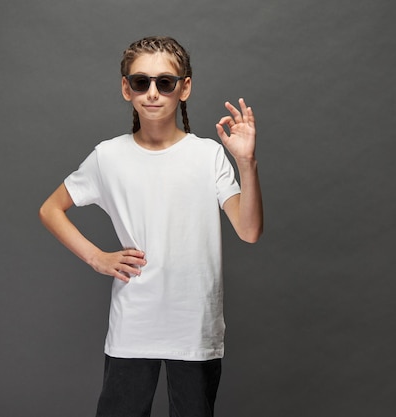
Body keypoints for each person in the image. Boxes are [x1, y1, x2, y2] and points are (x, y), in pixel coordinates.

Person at [39, 36, 263, 417]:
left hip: (195, 325)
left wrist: (246, 163)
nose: (153, 93)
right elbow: (51, 209)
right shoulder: (108, 157)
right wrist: (97, 258)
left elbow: (249, 231)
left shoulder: (207, 155)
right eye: (141, 82)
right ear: (127, 88)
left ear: (185, 87)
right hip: (134, 323)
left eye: (165, 82)